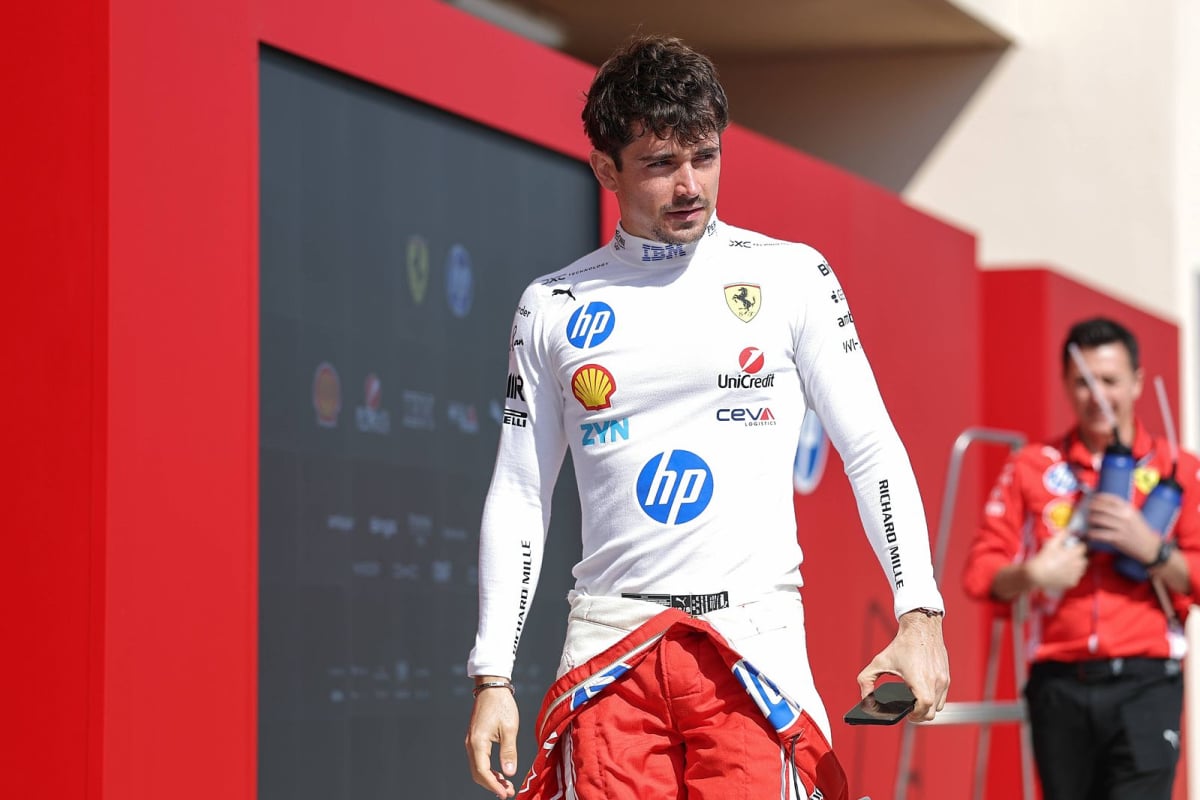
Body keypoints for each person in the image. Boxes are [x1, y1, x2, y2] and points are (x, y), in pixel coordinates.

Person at [464, 34, 950, 800]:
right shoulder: (551, 305)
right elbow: (522, 493)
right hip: (610, 653)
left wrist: (920, 613)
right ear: (606, 169)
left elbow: (871, 449)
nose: (690, 185)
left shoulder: (790, 275)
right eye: (661, 163)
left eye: (706, 156)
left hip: (752, 651)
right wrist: (493, 672)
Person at [963, 317, 1200, 799]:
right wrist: (1032, 573)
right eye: (1083, 383)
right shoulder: (1033, 465)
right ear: (1066, 385)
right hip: (1058, 684)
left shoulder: (1180, 469)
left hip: (1146, 682)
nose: (1097, 396)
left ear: (1137, 382)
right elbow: (979, 574)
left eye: (1109, 380)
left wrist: (1153, 550)